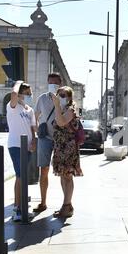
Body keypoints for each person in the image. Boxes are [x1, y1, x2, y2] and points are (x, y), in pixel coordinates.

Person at [51, 86, 83, 218]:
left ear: (70, 98)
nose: (60, 98)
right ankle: (67, 205)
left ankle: (67, 206)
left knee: (68, 176)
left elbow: (61, 122)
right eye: (59, 95)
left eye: (63, 95)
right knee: (63, 176)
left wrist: (57, 105)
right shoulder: (61, 108)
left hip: (68, 148)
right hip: (60, 147)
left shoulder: (70, 109)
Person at [6, 81, 37, 222]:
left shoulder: (29, 109)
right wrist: (18, 83)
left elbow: (32, 128)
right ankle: (17, 209)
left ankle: (22, 207)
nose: (30, 95)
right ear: (20, 94)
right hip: (15, 145)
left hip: (27, 146)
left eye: (31, 93)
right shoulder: (12, 106)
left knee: (22, 176)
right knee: (20, 175)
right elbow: (13, 94)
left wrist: (34, 140)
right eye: (28, 93)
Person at [34, 73, 63, 213]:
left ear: (60, 84)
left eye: (55, 83)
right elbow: (35, 115)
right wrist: (39, 127)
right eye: (50, 83)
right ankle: (43, 202)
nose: (52, 85)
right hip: (45, 137)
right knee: (43, 170)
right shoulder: (42, 98)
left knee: (63, 172)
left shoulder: (64, 98)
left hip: (60, 138)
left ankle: (65, 204)